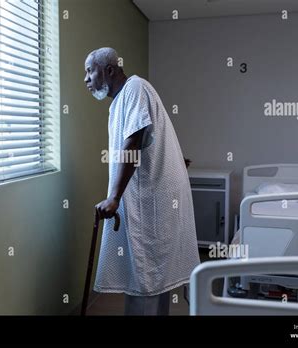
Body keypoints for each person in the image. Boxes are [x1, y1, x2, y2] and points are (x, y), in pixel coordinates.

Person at [84, 47, 200, 315]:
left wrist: (114, 197)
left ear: (109, 69)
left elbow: (133, 142)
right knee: (152, 275)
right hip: (152, 197)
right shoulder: (125, 98)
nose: (86, 79)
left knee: (146, 274)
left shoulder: (135, 88)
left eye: (90, 70)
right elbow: (151, 139)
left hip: (153, 202)